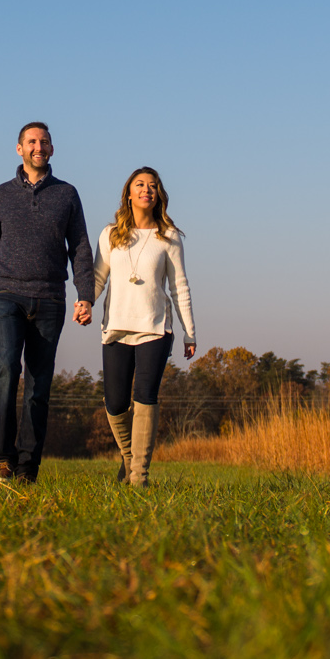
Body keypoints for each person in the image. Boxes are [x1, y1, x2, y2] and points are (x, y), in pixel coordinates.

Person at [0, 122, 96, 483]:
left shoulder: (67, 194)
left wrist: (86, 296)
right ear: (19, 149)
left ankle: (27, 468)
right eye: (31, 141)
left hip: (51, 299)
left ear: (52, 150)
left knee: (39, 386)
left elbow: (80, 248)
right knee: (6, 369)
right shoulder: (1, 195)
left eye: (44, 142)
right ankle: (2, 460)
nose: (38, 146)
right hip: (7, 295)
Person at [93, 166, 195, 486]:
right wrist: (84, 302)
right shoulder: (110, 234)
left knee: (145, 397)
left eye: (153, 186)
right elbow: (98, 277)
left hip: (155, 327)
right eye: (140, 185)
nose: (146, 190)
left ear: (158, 195)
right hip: (116, 326)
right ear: (129, 193)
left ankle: (139, 476)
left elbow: (179, 287)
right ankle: (129, 457)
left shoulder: (170, 236)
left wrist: (190, 332)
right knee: (115, 403)